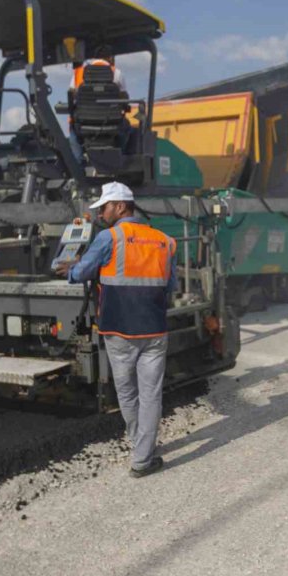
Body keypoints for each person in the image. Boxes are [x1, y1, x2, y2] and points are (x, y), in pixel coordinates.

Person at [54, 181, 177, 478]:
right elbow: (170, 287)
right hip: (154, 330)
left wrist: (70, 269)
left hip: (118, 330)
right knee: (150, 395)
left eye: (105, 208)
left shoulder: (110, 237)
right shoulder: (164, 240)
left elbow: (81, 273)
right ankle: (142, 457)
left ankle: (140, 448)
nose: (101, 214)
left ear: (120, 206)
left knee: (127, 393)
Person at [67, 46, 128, 164]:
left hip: (83, 125)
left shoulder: (78, 72)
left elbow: (71, 95)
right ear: (110, 58)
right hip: (111, 123)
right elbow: (124, 98)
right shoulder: (117, 73)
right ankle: (121, 159)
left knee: (73, 134)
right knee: (127, 129)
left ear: (94, 58)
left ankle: (78, 164)